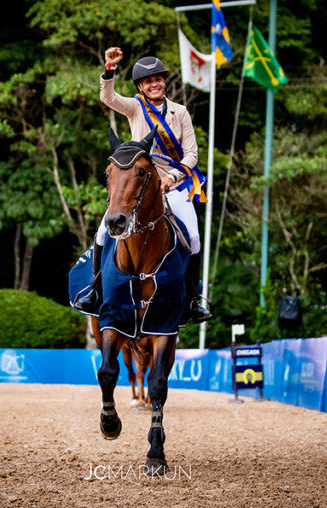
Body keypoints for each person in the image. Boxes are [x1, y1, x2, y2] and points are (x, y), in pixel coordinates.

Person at [73, 47, 212, 323]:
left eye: (158, 79)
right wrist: (109, 70)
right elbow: (108, 97)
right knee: (103, 232)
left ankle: (194, 298)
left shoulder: (180, 112)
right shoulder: (135, 107)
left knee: (194, 237)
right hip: (139, 186)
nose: (155, 84)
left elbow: (192, 154)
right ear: (140, 86)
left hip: (174, 187)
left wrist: (173, 177)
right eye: (149, 81)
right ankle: (95, 289)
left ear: (163, 82)